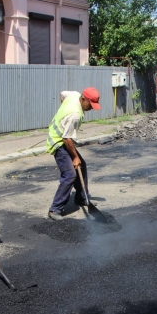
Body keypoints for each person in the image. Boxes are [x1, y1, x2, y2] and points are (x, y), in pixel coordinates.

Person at [47, 87, 101, 221]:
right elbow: (66, 138)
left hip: (63, 137)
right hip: (58, 141)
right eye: (90, 104)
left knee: (82, 166)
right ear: (83, 99)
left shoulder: (74, 95)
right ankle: (55, 209)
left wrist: (63, 114)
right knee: (70, 175)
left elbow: (62, 94)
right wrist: (75, 157)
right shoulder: (75, 115)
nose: (91, 108)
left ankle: (82, 198)